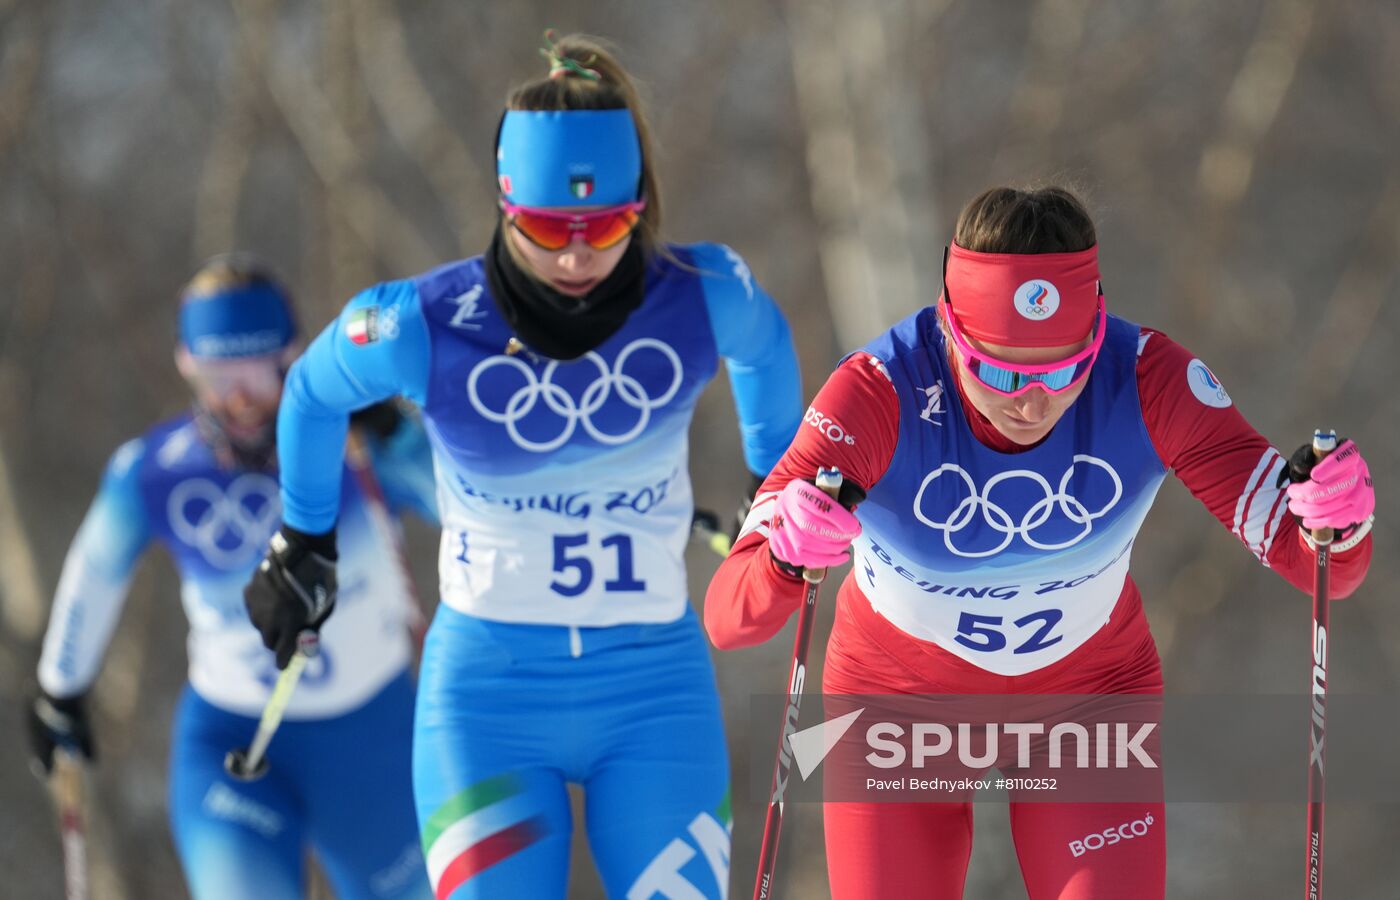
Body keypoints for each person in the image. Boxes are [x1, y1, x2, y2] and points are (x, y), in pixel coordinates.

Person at [241, 32, 803, 900]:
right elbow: (312, 395)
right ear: (505, 206)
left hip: (653, 691)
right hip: (489, 699)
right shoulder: (421, 322)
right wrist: (304, 538)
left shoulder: (701, 293)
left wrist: (777, 486)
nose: (576, 258)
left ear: (639, 205)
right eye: (546, 230)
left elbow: (767, 349)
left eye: (606, 227)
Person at [704, 185, 1376, 899]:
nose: (1033, 401)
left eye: (1063, 371)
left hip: (1085, 698)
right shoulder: (877, 392)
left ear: (1096, 331)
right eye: (998, 371)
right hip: (896, 708)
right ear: (948, 327)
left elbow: (1320, 567)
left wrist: (1339, 521)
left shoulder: (1150, 379)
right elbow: (729, 619)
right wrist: (783, 561)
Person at [27, 255, 437, 900]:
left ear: (292, 357)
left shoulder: (358, 451)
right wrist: (60, 690)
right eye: (219, 375)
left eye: (254, 371)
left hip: (373, 740)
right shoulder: (156, 471)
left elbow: (467, 506)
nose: (239, 396)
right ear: (187, 366)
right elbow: (94, 573)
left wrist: (401, 436)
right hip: (233, 742)